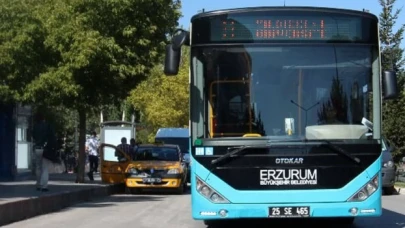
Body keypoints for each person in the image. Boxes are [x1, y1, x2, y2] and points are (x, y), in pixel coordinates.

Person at [32, 114, 56, 192]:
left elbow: (33, 136)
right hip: (46, 149)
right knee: (45, 168)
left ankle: (38, 184)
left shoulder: (35, 126)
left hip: (37, 148)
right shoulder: (48, 126)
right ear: (44, 118)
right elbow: (52, 137)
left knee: (38, 167)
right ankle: (44, 186)